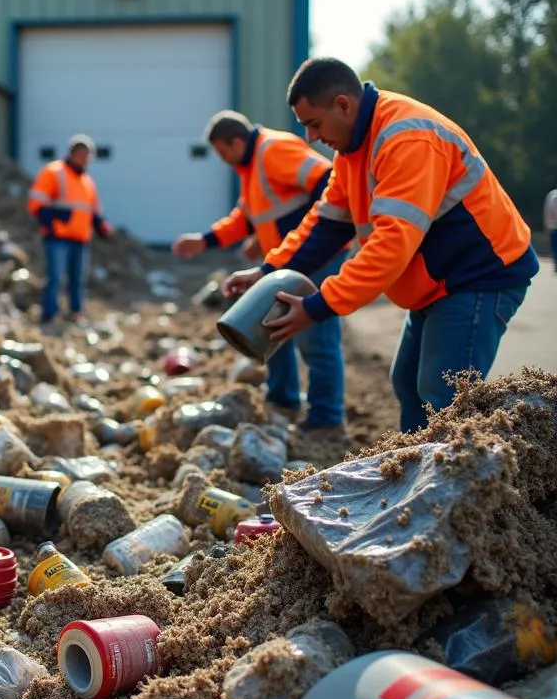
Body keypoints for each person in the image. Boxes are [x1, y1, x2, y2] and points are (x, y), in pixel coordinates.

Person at [223, 58, 537, 434]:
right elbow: (325, 225)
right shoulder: (351, 152)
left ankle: (457, 483)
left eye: (314, 124)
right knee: (407, 383)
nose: (311, 138)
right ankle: (419, 476)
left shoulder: (407, 137)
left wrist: (318, 306)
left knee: (443, 397)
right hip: (437, 281)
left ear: (343, 105)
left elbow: (390, 244)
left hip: (478, 276)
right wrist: (266, 271)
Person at [172, 111, 345, 429]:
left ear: (237, 142)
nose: (224, 161)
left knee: (317, 339)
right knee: (271, 329)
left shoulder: (274, 149)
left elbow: (330, 182)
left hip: (316, 257)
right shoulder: (250, 166)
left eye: (224, 153)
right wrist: (207, 240)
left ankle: (326, 418)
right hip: (284, 262)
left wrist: (300, 236)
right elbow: (247, 215)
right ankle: (283, 400)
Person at [27, 133, 112, 327]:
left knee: (77, 279)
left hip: (80, 238)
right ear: (72, 154)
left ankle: (75, 312)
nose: (84, 159)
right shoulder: (54, 172)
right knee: (55, 277)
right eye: (81, 154)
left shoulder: (87, 182)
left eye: (87, 156)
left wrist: (101, 225)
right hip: (58, 237)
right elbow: (36, 202)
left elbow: (92, 209)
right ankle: (50, 314)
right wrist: (52, 222)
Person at [545, 188, 557, 272]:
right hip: (554, 226)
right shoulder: (552, 196)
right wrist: (547, 225)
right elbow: (547, 212)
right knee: (554, 247)